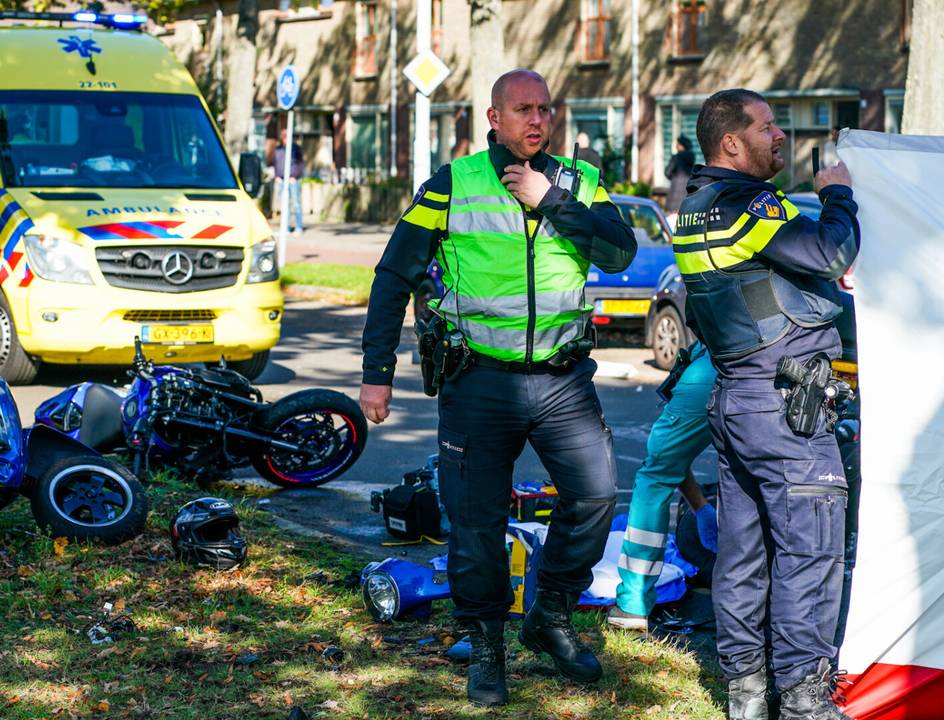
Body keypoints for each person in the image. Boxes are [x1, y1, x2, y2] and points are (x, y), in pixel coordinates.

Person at [359, 69, 637, 707]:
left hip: (563, 376)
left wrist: (550, 201)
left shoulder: (579, 181)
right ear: (494, 117)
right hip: (479, 378)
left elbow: (620, 254)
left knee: (595, 495)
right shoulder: (455, 184)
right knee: (475, 523)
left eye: (544, 109)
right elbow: (393, 275)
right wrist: (377, 373)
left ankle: (551, 617)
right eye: (521, 110)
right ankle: (486, 646)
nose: (536, 121)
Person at [674, 88, 859, 720]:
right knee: (810, 550)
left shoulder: (696, 206)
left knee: (743, 555)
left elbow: (761, 289)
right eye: (768, 126)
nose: (779, 135)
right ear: (732, 142)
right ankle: (807, 699)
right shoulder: (746, 202)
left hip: (738, 399)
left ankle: (747, 694)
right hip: (786, 407)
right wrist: (837, 191)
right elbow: (829, 252)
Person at [609, 341, 718, 630]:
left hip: (718, 358)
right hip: (781, 362)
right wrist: (701, 507)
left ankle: (632, 605)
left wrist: (701, 508)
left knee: (654, 478)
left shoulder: (704, 361)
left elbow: (664, 461)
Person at [273, 127, 304, 235]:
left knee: (296, 203)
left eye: (287, 136)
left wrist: (294, 176)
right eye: (283, 136)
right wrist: (277, 176)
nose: (285, 139)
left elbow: (299, 164)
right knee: (285, 205)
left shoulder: (296, 149)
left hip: (293, 180)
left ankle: (299, 227)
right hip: (282, 180)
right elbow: (276, 163)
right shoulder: (278, 149)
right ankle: (286, 228)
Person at [665, 135, 696, 213]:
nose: (676, 146)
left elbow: (667, 172)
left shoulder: (676, 157)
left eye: (677, 144)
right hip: (687, 195)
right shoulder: (691, 158)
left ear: (681, 145)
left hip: (675, 196)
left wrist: (674, 177)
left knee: (672, 221)